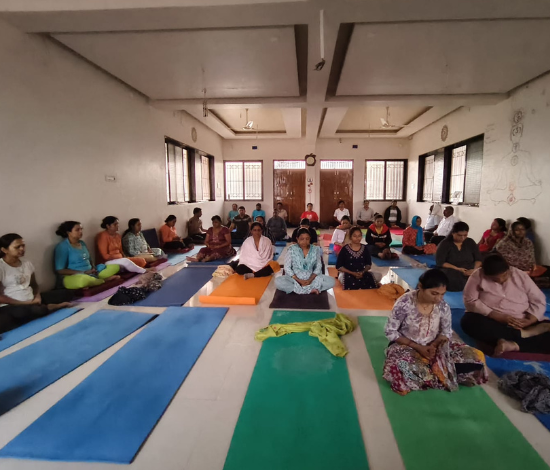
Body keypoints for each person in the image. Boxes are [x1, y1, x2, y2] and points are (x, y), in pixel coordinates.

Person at [383, 269, 487, 395]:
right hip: (406, 346)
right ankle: (442, 372)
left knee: (477, 357)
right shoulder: (405, 303)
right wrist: (418, 347)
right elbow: (390, 331)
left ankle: (432, 372)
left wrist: (434, 345)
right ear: (421, 286)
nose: (438, 298)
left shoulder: (443, 306)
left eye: (442, 294)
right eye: (434, 293)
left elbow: (446, 332)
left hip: (435, 347)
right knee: (401, 366)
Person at [462, 254, 550, 355]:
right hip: (493, 321)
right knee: (468, 322)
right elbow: (470, 300)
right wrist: (495, 315)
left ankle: (513, 344)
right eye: (495, 279)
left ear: (508, 269)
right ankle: (525, 336)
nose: (501, 280)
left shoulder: (520, 275)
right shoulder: (477, 276)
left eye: (504, 276)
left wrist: (530, 320)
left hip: (522, 320)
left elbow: (538, 299)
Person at [0, 233, 73, 334]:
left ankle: (42, 306)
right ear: (4, 250)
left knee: (67, 293)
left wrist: (37, 297)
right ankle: (49, 307)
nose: (22, 249)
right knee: (31, 311)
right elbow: (1, 298)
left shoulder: (27, 264)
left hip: (31, 299)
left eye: (23, 245)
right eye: (17, 247)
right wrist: (27, 303)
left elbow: (34, 285)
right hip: (13, 305)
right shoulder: (1, 267)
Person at [55, 221, 120, 289]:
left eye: (81, 229)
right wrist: (83, 272)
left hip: (90, 273)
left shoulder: (82, 243)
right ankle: (103, 280)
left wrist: (93, 268)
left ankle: (93, 281)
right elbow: (60, 270)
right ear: (68, 232)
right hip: (74, 276)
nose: (80, 232)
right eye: (77, 230)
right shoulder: (62, 247)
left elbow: (90, 259)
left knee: (115, 267)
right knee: (82, 280)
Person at [275, 228, 335, 294]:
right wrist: (299, 280)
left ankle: (299, 289)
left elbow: (318, 266)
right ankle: (309, 290)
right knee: (278, 281)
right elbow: (287, 267)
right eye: (302, 239)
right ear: (297, 239)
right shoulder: (291, 249)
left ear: (310, 239)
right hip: (295, 279)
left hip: (311, 279)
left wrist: (310, 280)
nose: (305, 241)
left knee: (331, 281)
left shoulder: (315, 249)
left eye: (307, 239)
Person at [495, 221, 549, 287]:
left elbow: (531, 257)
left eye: (522, 229)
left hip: (530, 269)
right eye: (517, 230)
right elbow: (508, 261)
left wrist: (533, 266)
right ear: (511, 231)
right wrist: (523, 271)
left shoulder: (528, 242)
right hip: (513, 271)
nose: (521, 231)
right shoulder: (504, 244)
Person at [435, 222, 482, 292]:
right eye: (459, 235)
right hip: (452, 269)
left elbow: (478, 259)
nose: (462, 238)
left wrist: (474, 270)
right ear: (453, 233)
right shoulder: (445, 244)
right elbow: (440, 262)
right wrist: (458, 269)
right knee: (453, 279)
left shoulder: (470, 242)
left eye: (465, 235)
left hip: (470, 268)